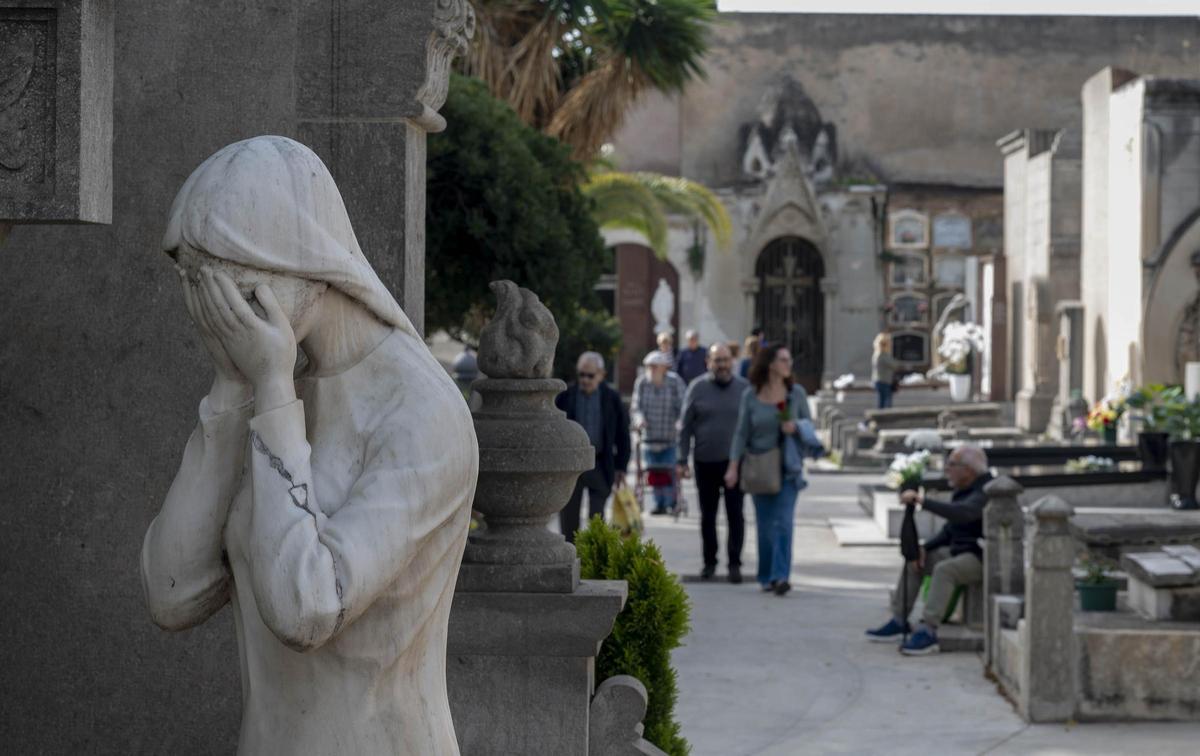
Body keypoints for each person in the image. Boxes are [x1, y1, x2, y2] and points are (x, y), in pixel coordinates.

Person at [141, 136, 476, 753]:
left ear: (303, 263)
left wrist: (271, 390)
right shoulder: (274, 381)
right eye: (195, 285)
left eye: (231, 284)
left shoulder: (421, 413)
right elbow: (173, 592)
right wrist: (231, 390)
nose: (214, 313)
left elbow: (307, 609)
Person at [865, 445, 993, 655]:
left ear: (968, 469)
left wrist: (923, 501)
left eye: (952, 464)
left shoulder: (985, 490)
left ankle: (929, 630)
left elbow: (963, 513)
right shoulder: (964, 487)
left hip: (981, 557)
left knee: (945, 570)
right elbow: (951, 529)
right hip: (959, 551)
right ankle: (899, 619)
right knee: (915, 560)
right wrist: (925, 548)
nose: (947, 469)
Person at [726, 342, 823, 595]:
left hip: (788, 468)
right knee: (765, 526)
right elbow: (740, 433)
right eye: (783, 360)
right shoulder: (751, 395)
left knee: (784, 524)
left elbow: (809, 426)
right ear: (771, 365)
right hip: (760, 468)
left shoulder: (796, 394)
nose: (788, 365)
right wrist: (733, 467)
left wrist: (796, 426)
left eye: (789, 360)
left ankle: (781, 576)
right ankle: (766, 576)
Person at [677, 343, 749, 582]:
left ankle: (734, 564)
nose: (722, 365)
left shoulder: (744, 388)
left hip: (735, 464)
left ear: (733, 362)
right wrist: (681, 459)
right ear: (708, 362)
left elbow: (751, 426)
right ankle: (709, 563)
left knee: (735, 515)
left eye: (726, 360)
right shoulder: (697, 388)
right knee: (708, 516)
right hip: (704, 462)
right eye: (717, 360)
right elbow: (685, 427)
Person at [555, 352, 631, 542]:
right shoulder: (566, 396)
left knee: (597, 520)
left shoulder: (612, 398)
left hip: (600, 464)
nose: (585, 380)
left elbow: (623, 434)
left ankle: (591, 560)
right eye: (582, 374)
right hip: (572, 467)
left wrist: (622, 467)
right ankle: (571, 559)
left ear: (601, 374)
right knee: (569, 520)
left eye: (590, 375)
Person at [632, 350, 687, 515]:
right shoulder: (642, 383)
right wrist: (639, 419)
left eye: (655, 366)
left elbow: (683, 405)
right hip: (649, 438)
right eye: (649, 366)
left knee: (669, 472)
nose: (652, 369)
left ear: (664, 368)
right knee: (654, 475)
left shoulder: (674, 381)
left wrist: (680, 421)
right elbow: (636, 406)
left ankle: (671, 502)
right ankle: (659, 504)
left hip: (669, 437)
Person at [872, 332, 900, 409]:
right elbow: (895, 365)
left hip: (880, 381)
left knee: (881, 403)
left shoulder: (876, 354)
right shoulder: (883, 355)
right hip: (884, 382)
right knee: (886, 405)